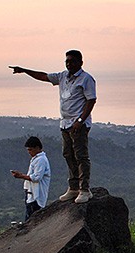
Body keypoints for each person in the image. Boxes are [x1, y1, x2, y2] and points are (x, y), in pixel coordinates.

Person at [9, 49, 96, 204]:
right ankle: (74, 187)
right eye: (67, 61)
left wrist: (80, 120)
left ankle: (84, 189)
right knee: (68, 155)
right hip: (65, 123)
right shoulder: (63, 76)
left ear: (80, 63)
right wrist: (24, 70)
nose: (69, 64)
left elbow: (91, 101)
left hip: (78, 124)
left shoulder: (86, 79)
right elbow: (44, 76)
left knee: (81, 156)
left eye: (72, 61)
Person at [10, 136, 51, 220]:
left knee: (32, 218)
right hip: (31, 192)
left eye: (30, 150)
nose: (29, 152)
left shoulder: (41, 160)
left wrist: (21, 176)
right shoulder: (35, 159)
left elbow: (37, 177)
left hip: (37, 195)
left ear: (37, 148)